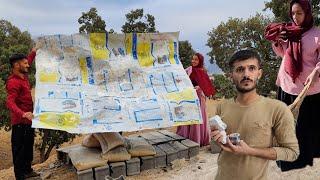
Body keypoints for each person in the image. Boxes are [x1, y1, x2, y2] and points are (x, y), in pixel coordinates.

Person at [211, 49, 299, 180]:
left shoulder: (277, 108)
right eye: (240, 69)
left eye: (252, 68)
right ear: (231, 76)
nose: (246, 74)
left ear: (259, 73)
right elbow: (219, 147)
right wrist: (216, 139)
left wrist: (249, 151)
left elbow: (292, 152)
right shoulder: (222, 106)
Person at [265, 0, 320, 171]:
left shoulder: (317, 34)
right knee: (287, 125)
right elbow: (284, 55)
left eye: (300, 13)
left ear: (308, 13)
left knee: (306, 126)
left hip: (309, 88)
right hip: (287, 84)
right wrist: (276, 42)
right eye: (293, 13)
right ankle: (288, 160)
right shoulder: (289, 32)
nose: (295, 17)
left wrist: (316, 70)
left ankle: (305, 158)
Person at [6, 48, 39, 180]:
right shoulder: (13, 82)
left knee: (28, 148)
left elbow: (29, 60)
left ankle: (28, 170)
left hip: (29, 121)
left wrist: (34, 52)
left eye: (27, 63)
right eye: (24, 63)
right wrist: (23, 114)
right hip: (20, 123)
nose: (28, 65)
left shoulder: (23, 75)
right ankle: (20, 176)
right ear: (16, 65)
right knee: (19, 152)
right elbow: (10, 102)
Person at [176, 53, 216, 146]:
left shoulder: (202, 72)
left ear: (200, 61)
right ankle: (186, 137)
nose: (193, 61)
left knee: (196, 118)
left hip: (198, 99)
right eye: (193, 59)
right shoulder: (189, 70)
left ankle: (197, 139)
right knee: (188, 116)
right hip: (188, 97)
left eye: (196, 60)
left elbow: (206, 87)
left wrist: (199, 88)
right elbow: (180, 77)